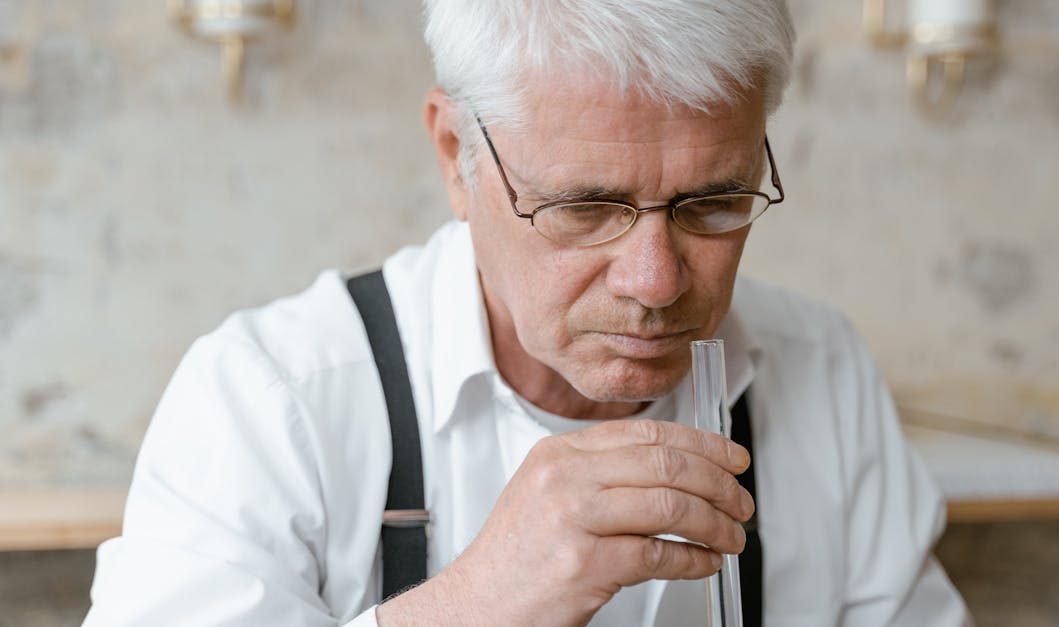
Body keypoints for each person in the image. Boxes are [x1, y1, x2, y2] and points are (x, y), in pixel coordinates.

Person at [84, 1, 970, 625]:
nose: (657, 282)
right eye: (585, 207)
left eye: (712, 202)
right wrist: (475, 607)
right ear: (454, 157)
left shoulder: (820, 367)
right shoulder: (272, 399)